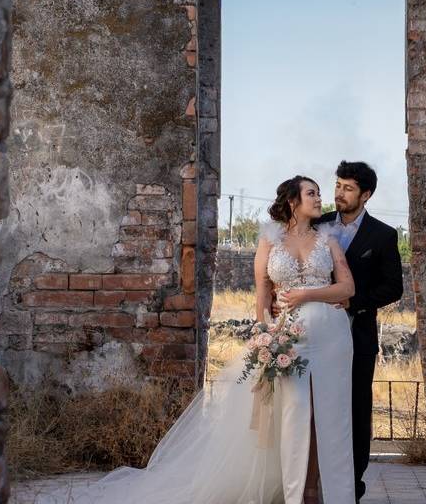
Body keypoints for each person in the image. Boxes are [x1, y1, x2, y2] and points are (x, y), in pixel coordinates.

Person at [37, 175, 356, 504]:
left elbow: (348, 288)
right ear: (293, 201)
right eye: (312, 193)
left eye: (318, 194)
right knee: (295, 412)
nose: (320, 199)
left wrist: (306, 294)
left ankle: (333, 495)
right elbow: (262, 298)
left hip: (333, 337)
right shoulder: (269, 241)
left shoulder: (327, 239)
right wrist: (265, 337)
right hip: (289, 338)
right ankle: (298, 496)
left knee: (333, 416)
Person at [309, 161, 405, 502]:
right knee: (312, 407)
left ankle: (352, 484)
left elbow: (394, 288)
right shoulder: (315, 225)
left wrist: (354, 301)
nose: (339, 193)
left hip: (358, 336)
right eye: (337, 186)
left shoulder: (383, 235)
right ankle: (312, 482)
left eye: (348, 188)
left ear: (365, 195)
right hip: (313, 335)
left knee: (356, 409)